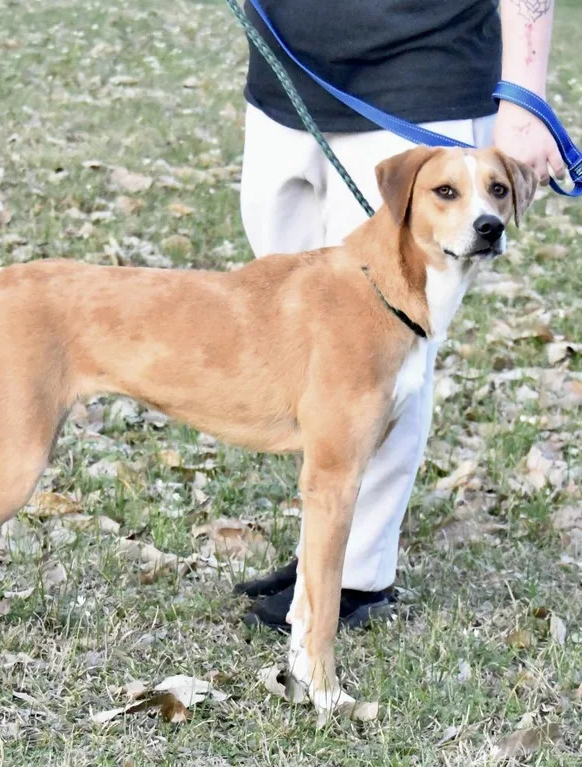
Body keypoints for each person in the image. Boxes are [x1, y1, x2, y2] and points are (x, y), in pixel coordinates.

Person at [234, 0, 563, 630]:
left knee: (378, 346)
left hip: (417, 78)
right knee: (301, 336)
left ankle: (355, 574)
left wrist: (523, 94)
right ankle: (320, 555)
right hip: (283, 72)